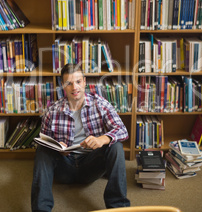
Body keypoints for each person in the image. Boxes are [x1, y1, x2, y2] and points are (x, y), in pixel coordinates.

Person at [31, 63, 130, 212]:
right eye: (69, 83)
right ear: (63, 86)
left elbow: (122, 130)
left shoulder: (100, 104)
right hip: (64, 167)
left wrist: (102, 139)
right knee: (42, 151)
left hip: (91, 166)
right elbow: (44, 140)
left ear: (84, 82)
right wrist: (58, 148)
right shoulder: (52, 110)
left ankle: (118, 208)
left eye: (78, 82)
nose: (74, 87)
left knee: (116, 147)